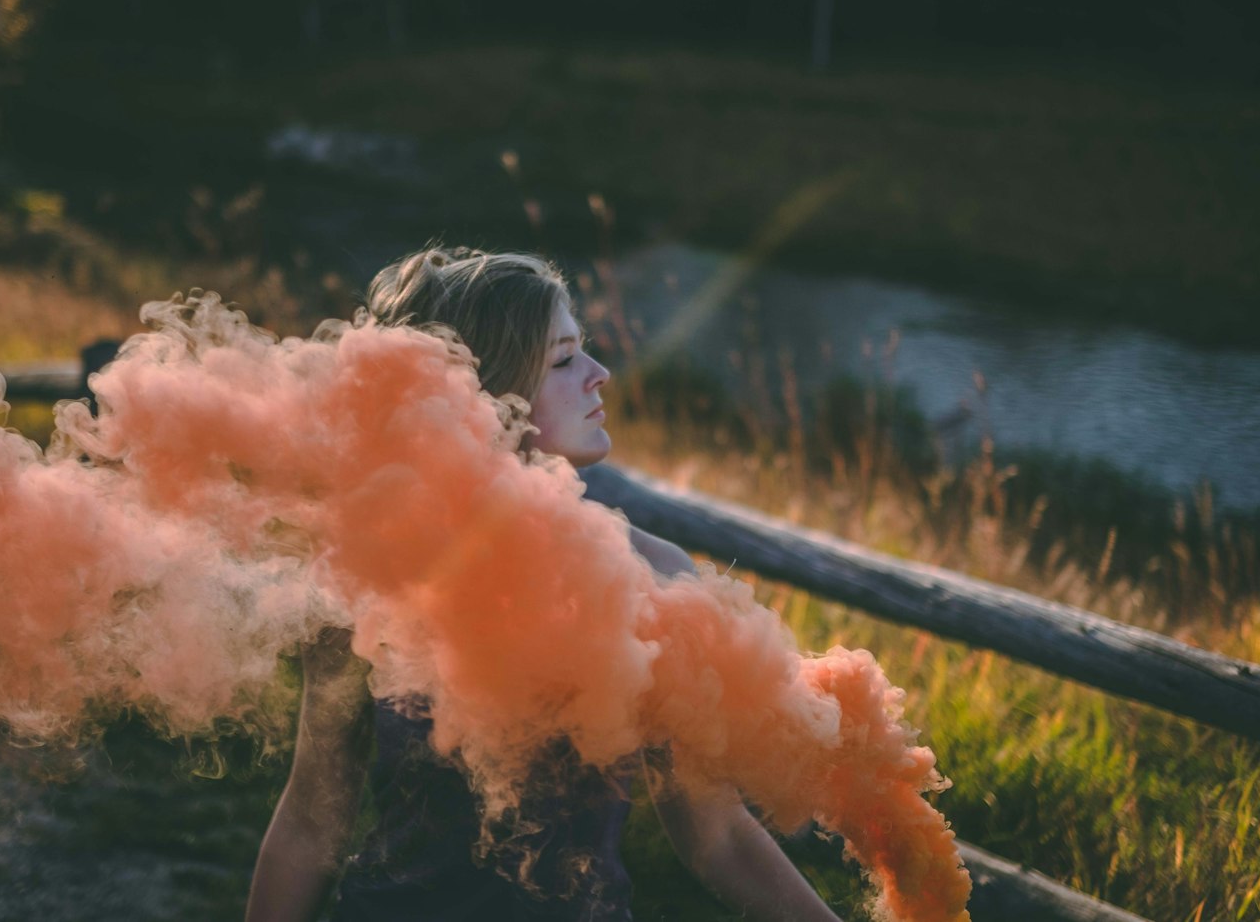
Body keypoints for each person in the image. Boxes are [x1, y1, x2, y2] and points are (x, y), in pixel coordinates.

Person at [245, 248, 841, 922]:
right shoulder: (370, 576)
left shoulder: (655, 575)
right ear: (485, 393)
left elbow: (717, 832)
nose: (599, 375)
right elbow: (311, 820)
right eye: (562, 360)